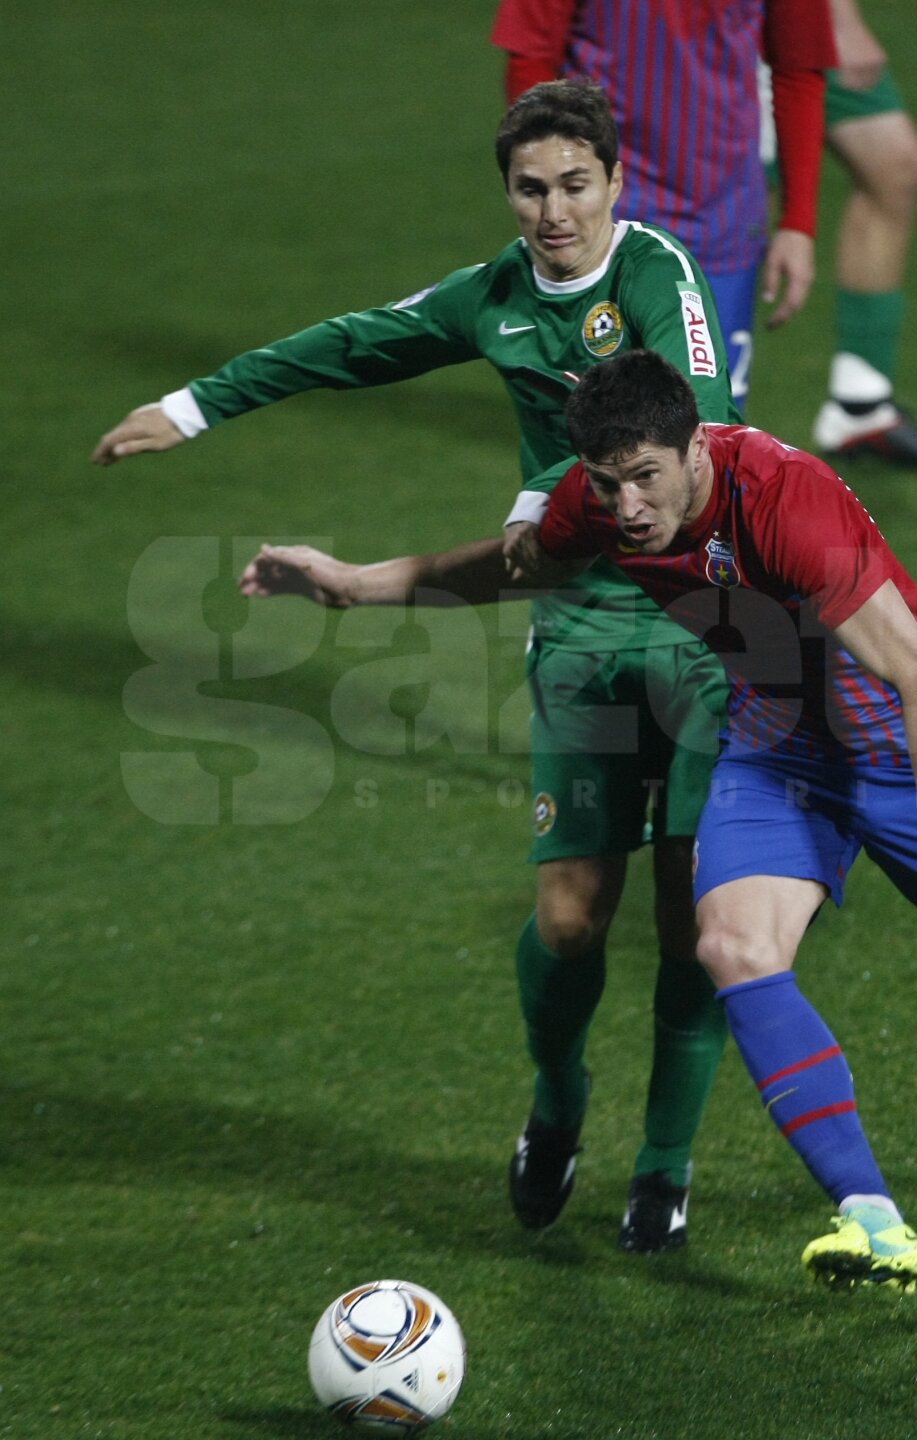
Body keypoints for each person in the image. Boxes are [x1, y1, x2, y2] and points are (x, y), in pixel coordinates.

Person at [240, 349, 917, 1288]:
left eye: (647, 478)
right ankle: (874, 1219)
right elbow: (512, 566)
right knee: (729, 946)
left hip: (912, 747)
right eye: (609, 486)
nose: (629, 508)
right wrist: (350, 585)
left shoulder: (784, 502)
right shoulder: (602, 500)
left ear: (697, 448)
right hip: (780, 754)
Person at [91, 81, 741, 1255]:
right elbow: (348, 344)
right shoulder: (492, 299)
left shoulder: (658, 281)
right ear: (509, 191)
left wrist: (560, 500)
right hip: (580, 622)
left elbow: (711, 423)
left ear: (617, 182)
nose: (554, 213)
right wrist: (191, 407)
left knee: (694, 916)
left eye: (575, 185)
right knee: (568, 921)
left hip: (696, 623)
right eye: (531, 188)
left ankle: (665, 1165)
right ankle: (558, 1107)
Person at [490, 0, 837, 406]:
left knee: (709, 430)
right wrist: (561, 193)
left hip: (722, 220)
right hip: (602, 223)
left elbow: (798, 70)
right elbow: (530, 57)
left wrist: (798, 221)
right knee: (596, 433)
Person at [764, 0, 917, 466]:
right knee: (740, 210)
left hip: (798, 15)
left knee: (895, 166)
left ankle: (860, 405)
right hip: (733, 25)